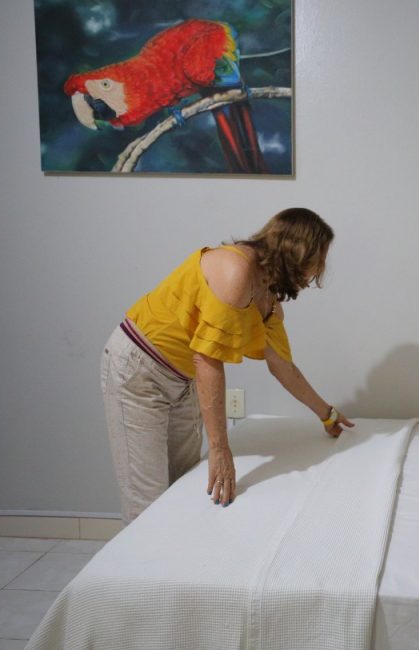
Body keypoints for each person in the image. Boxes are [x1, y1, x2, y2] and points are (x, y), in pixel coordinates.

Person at [100, 208, 352, 525]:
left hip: (181, 380)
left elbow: (284, 368)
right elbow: (207, 360)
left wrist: (327, 415)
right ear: (300, 253)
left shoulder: (269, 302)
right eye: (319, 259)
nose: (319, 270)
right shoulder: (236, 270)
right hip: (138, 369)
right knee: (147, 506)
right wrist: (220, 449)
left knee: (181, 487)